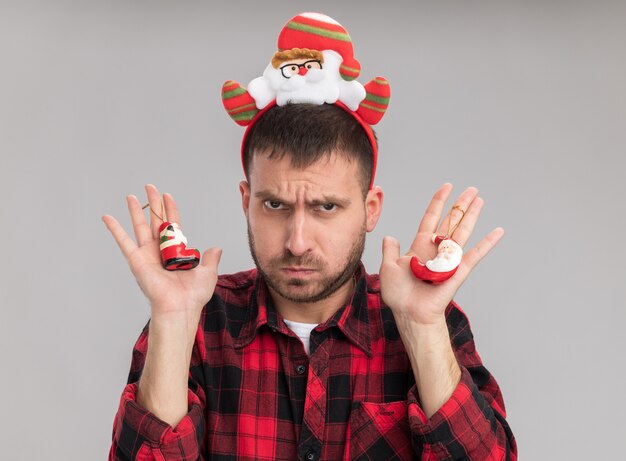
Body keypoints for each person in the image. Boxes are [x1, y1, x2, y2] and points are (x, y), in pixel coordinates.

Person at [103, 12, 517, 461]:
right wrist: (172, 320)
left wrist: (422, 329)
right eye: (275, 205)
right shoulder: (200, 324)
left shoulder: (431, 320)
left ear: (370, 208)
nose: (297, 242)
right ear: (247, 202)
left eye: (326, 207)